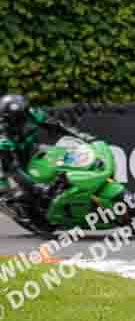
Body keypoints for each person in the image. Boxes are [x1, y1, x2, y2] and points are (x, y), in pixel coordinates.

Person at [0, 94, 95, 234]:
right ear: (9, 119)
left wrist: (81, 136)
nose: (24, 119)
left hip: (32, 150)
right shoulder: (3, 138)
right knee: (24, 194)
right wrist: (35, 187)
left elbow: (55, 125)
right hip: (8, 165)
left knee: (61, 158)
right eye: (19, 117)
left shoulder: (30, 113)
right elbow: (13, 170)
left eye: (24, 114)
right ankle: (36, 220)